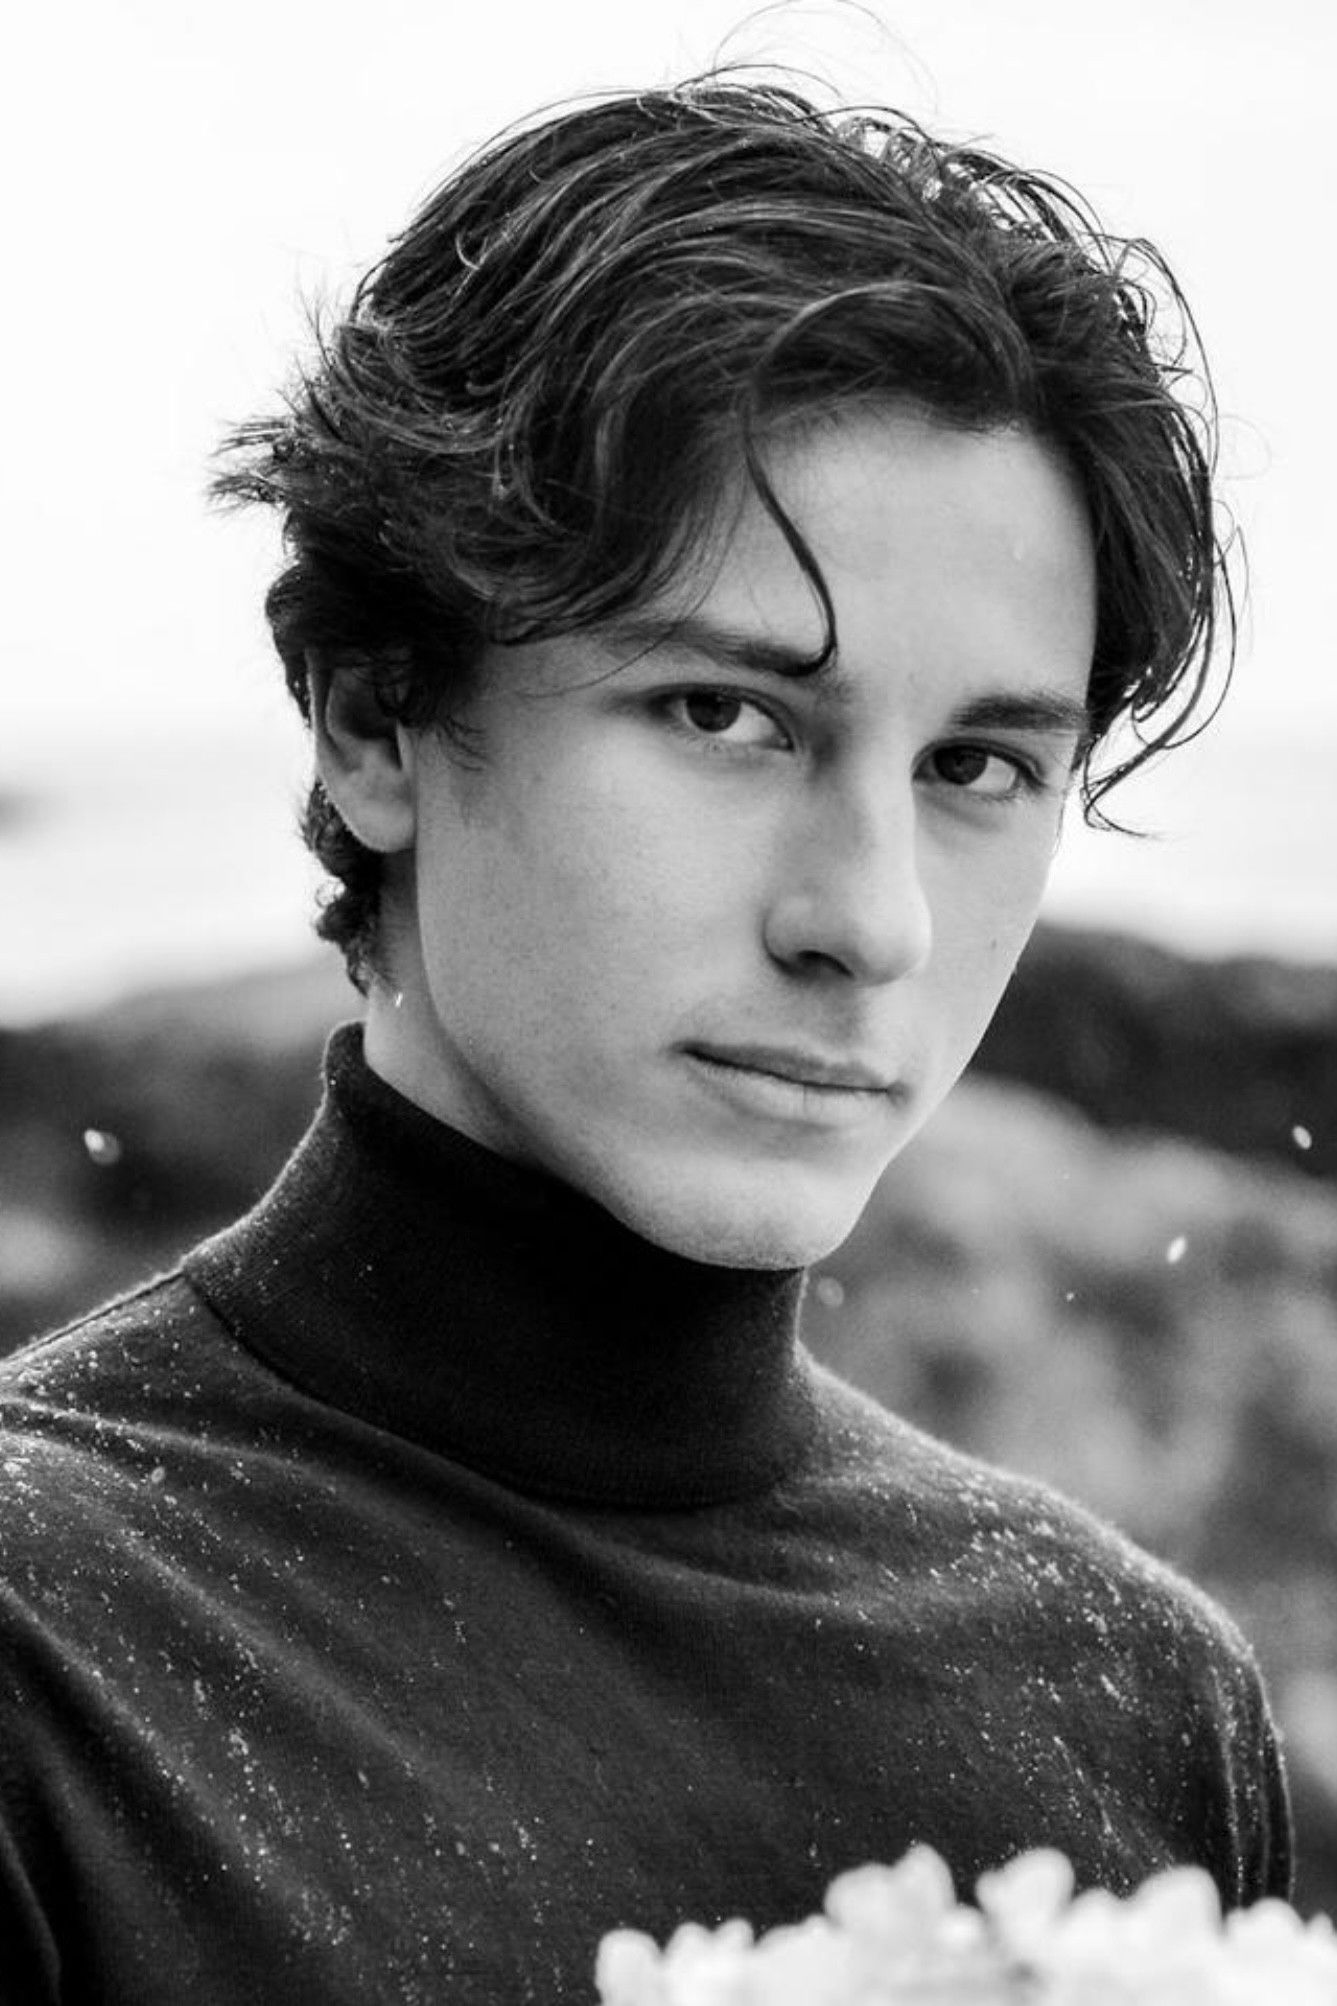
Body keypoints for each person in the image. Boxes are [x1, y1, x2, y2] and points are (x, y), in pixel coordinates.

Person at [0, 74, 1291, 2005]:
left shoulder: (1131, 1700)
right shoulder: (51, 1660)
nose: (868, 920)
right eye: (725, 716)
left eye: (975, 764)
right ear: (374, 714)